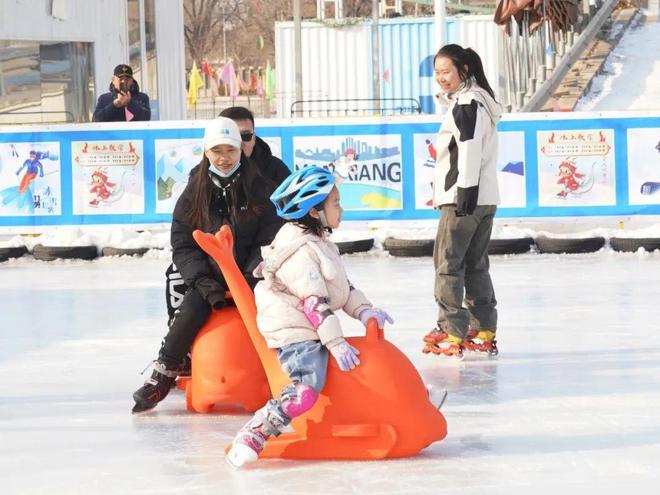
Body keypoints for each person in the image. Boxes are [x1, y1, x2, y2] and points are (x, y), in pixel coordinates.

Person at [225, 166, 393, 468]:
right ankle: (257, 431)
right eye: (336, 203)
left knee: (363, 354)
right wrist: (336, 341)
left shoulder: (319, 240)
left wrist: (364, 309)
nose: (342, 209)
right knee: (307, 388)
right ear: (315, 211)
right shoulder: (299, 251)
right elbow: (314, 303)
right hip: (296, 331)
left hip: (315, 324)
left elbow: (340, 288)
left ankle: (395, 404)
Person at [132, 117, 282, 413]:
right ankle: (165, 371)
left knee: (276, 310)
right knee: (190, 308)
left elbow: (269, 238)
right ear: (206, 152)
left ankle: (286, 372)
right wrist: (203, 281)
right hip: (209, 278)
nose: (224, 158)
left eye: (230, 150)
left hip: (251, 277)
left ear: (241, 150)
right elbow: (183, 243)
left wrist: (246, 278)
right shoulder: (194, 190)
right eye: (217, 151)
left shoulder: (260, 188)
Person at [423, 44, 502, 359]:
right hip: (484, 198)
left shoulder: (466, 104)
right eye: (437, 72)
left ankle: (451, 329)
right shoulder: (479, 101)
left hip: (463, 198)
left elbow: (468, 148)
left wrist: (464, 191)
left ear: (463, 71)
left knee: (447, 263)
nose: (441, 78)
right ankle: (482, 327)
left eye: (447, 72)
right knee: (475, 265)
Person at [219, 106, 290, 184]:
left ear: (254, 138)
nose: (239, 143)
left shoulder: (276, 169)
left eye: (245, 135)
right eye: (231, 137)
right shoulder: (206, 172)